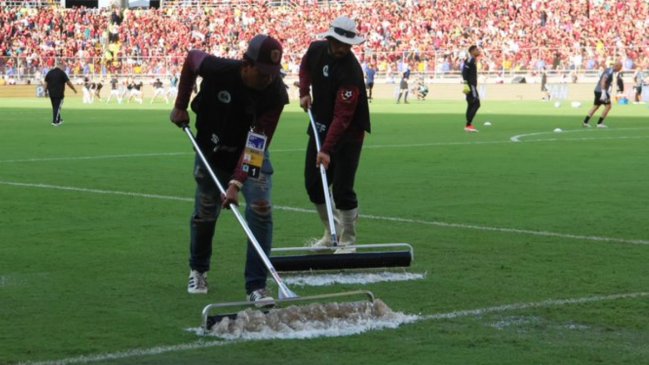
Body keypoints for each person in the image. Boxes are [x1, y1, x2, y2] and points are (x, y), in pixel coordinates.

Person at [169, 34, 288, 303]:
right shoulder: (218, 68)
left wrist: (236, 182)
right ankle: (198, 269)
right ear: (246, 64)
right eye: (263, 72)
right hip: (210, 150)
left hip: (249, 151)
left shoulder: (275, 93)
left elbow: (258, 143)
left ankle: (257, 286)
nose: (268, 78)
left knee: (261, 209)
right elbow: (190, 59)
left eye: (273, 73)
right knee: (206, 212)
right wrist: (180, 106)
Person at [298, 16, 371, 254]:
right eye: (338, 42)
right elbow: (305, 65)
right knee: (314, 184)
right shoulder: (316, 49)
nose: (342, 48)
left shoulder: (351, 71)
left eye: (347, 44)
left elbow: (343, 117)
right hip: (320, 125)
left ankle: (348, 240)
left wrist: (326, 150)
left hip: (348, 135)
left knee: (342, 188)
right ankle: (332, 233)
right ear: (329, 38)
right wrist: (304, 91)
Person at [583, 61, 623, 128]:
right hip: (601, 91)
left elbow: (604, 70)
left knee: (596, 106)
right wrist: (604, 92)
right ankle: (599, 123)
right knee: (608, 106)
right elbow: (603, 80)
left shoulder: (609, 69)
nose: (621, 68)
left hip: (597, 90)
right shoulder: (610, 71)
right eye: (620, 67)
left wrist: (602, 64)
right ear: (617, 66)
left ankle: (585, 122)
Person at [44, 61, 77, 126]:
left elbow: (46, 82)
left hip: (51, 93)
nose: (64, 68)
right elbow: (68, 83)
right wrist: (74, 89)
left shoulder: (50, 72)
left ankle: (58, 119)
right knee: (57, 107)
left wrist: (45, 91)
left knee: (55, 107)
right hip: (59, 93)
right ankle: (55, 122)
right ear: (61, 66)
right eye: (64, 67)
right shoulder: (62, 73)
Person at [462, 45, 481, 132]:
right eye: (477, 50)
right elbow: (464, 71)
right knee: (476, 104)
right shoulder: (471, 59)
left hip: (470, 84)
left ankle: (468, 125)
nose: (478, 51)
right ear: (472, 51)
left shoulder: (472, 60)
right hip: (471, 85)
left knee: (470, 104)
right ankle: (468, 125)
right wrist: (466, 83)